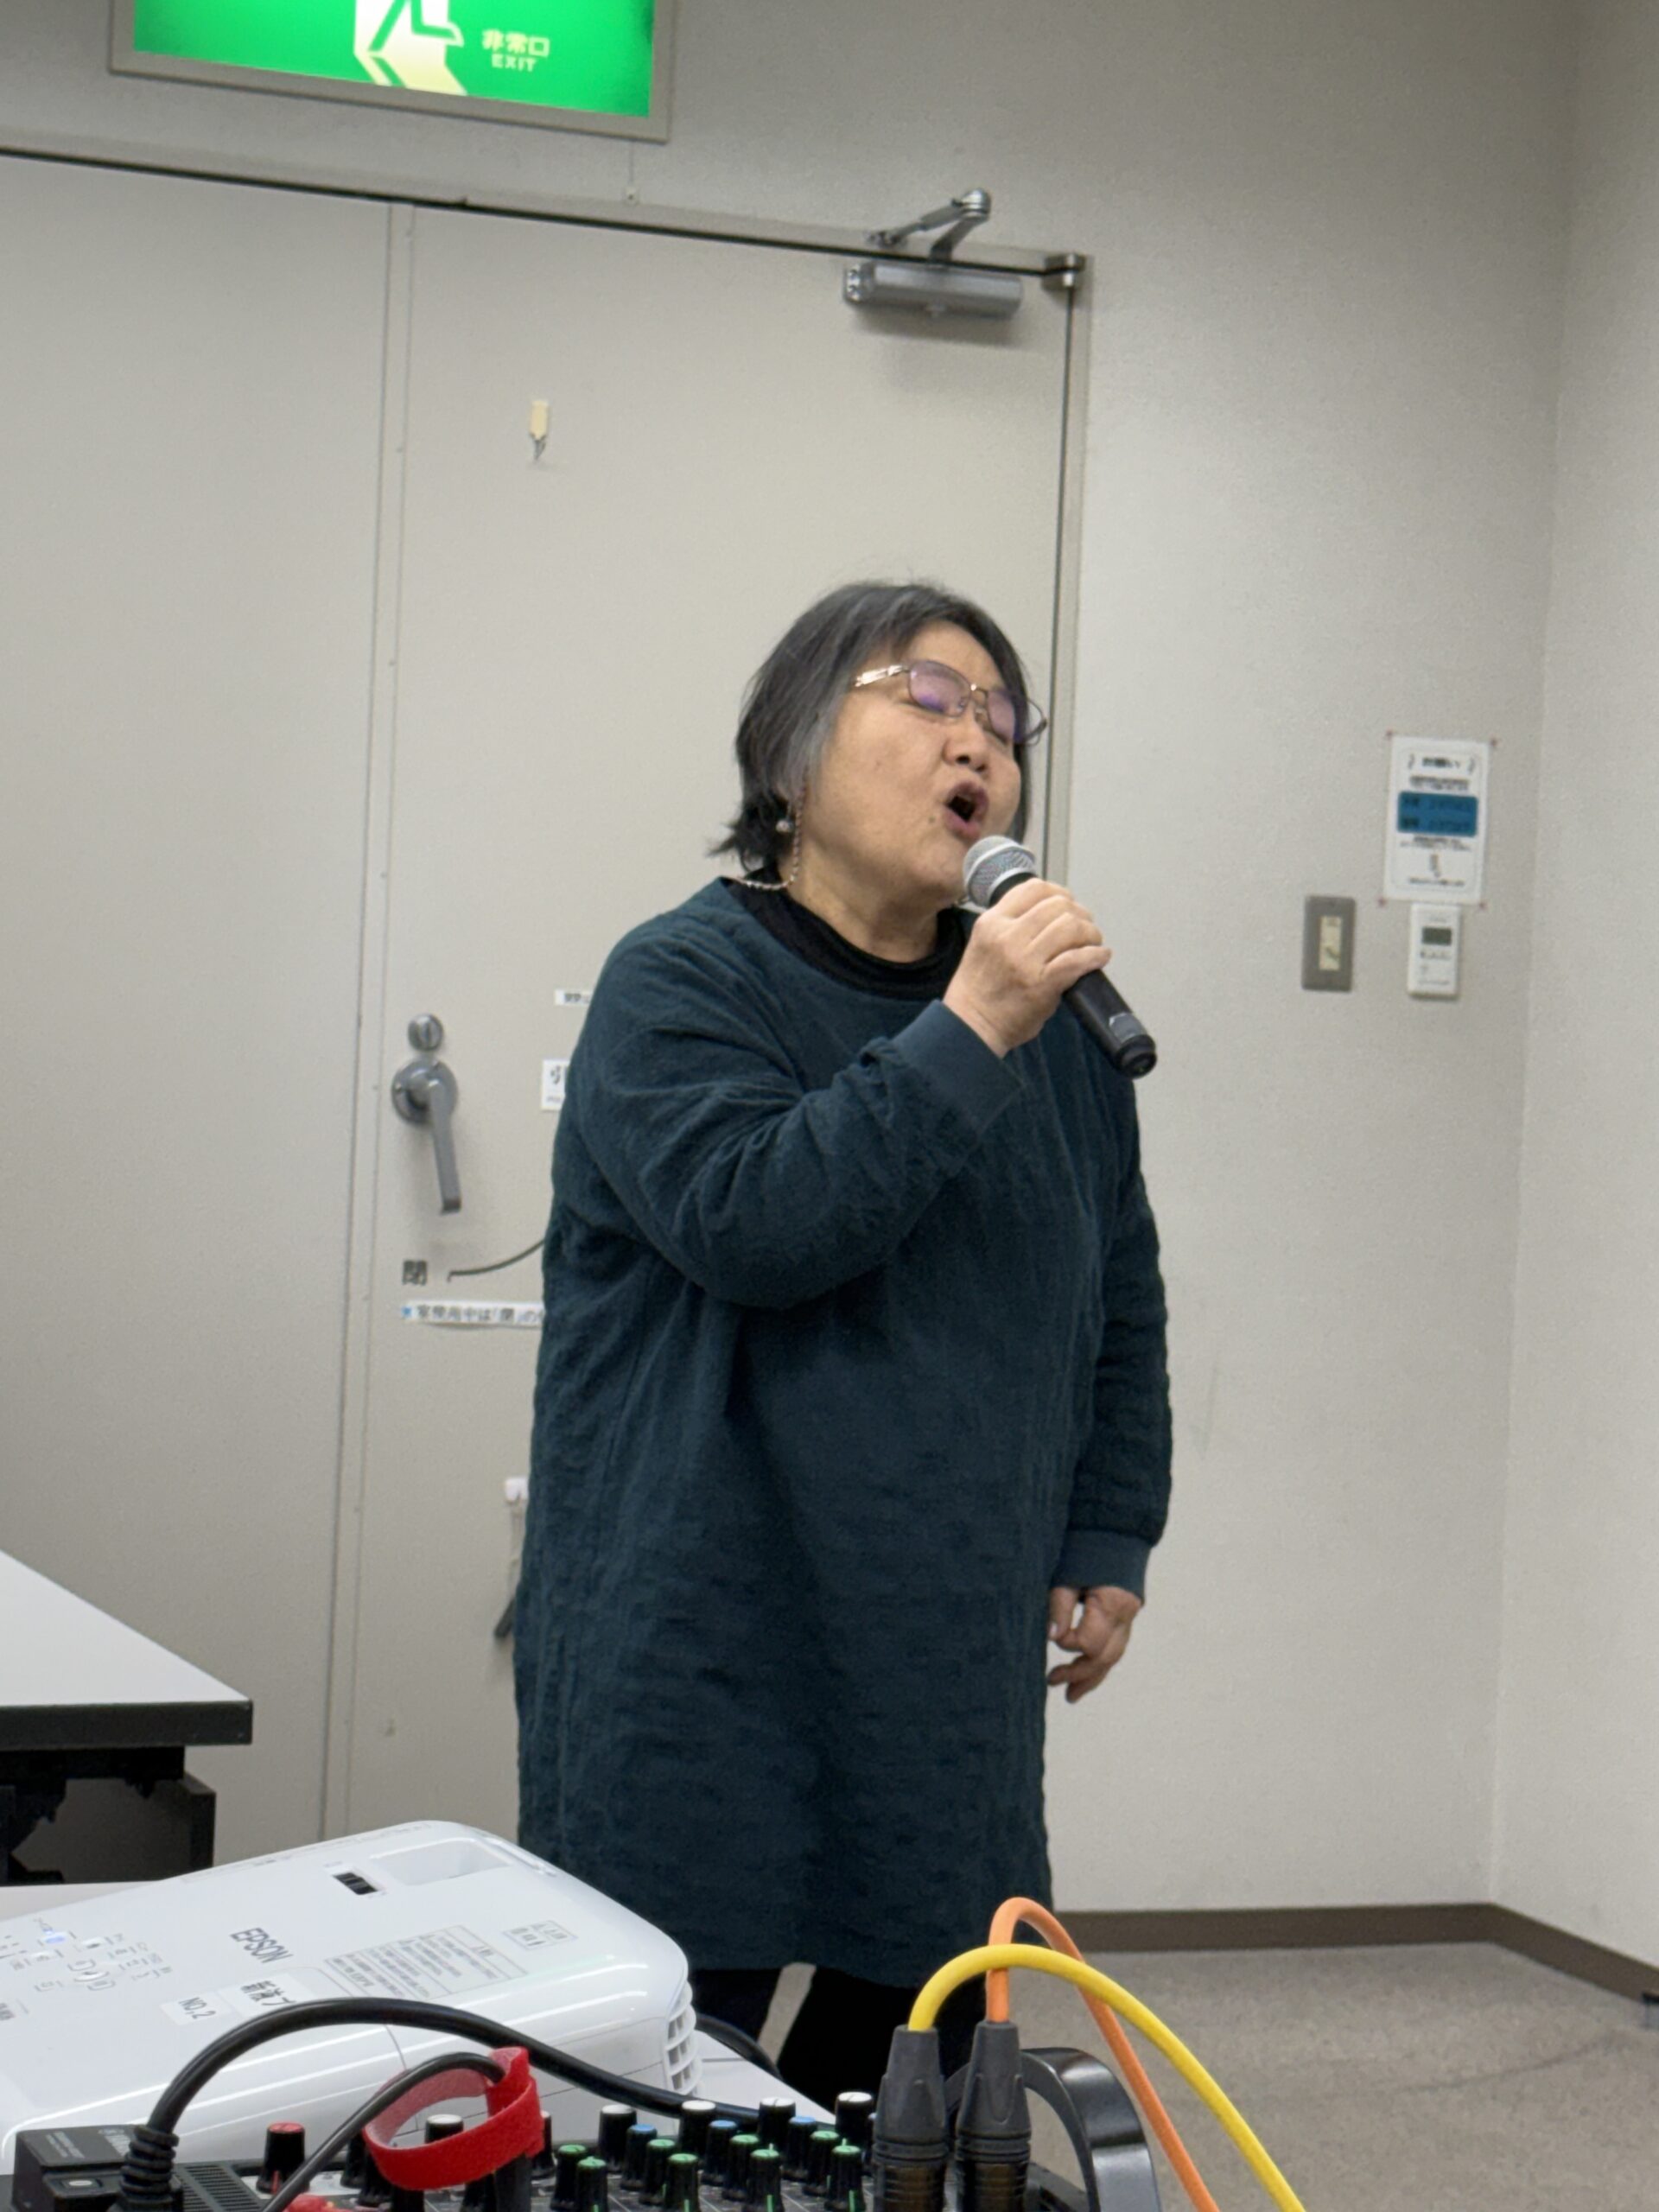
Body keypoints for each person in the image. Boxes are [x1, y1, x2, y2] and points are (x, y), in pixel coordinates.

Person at [514, 581, 1173, 2107]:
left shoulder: (1057, 1032)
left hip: (940, 1641)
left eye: (1003, 719)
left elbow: (1118, 1294)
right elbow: (758, 1221)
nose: (979, 743)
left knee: (911, 2073)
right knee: (672, 2090)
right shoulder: (680, 981)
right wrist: (971, 1026)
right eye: (929, 697)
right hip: (705, 1627)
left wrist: (1110, 1527)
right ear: (793, 754)